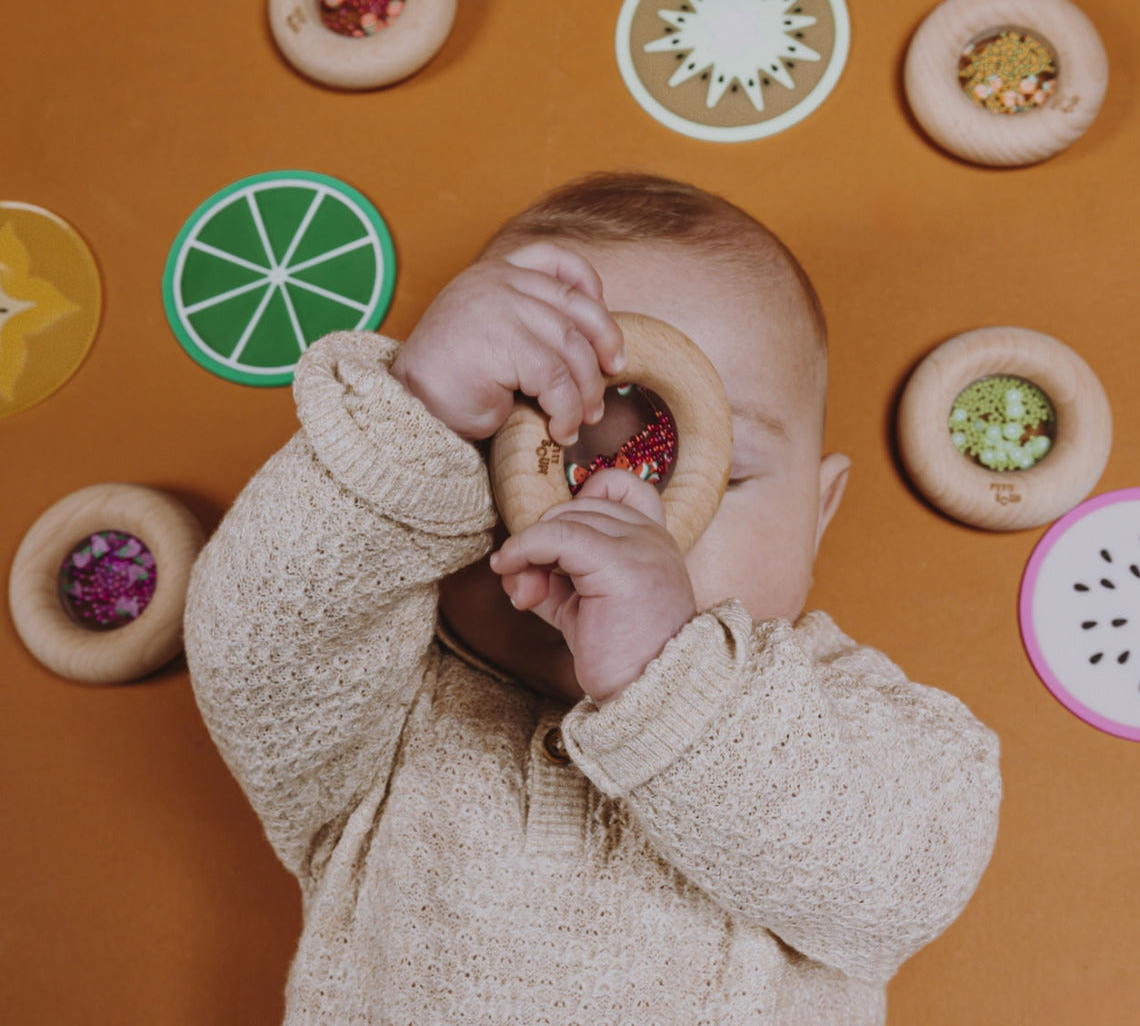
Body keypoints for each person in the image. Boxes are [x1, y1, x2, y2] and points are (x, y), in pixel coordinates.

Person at [184, 171, 1002, 1025]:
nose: (604, 514)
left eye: (692, 475)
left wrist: (675, 680)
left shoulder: (847, 715)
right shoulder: (386, 707)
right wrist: (412, 420)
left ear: (817, 517)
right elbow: (256, 645)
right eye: (532, 459)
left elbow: (907, 880)